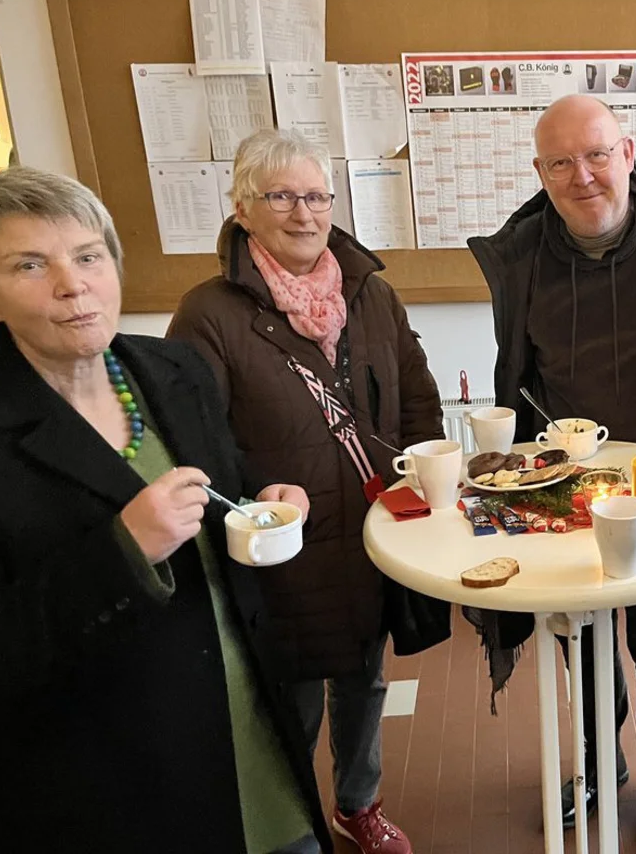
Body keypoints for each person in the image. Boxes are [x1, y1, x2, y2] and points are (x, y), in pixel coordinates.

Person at [0, 166, 330, 853]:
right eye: (29, 265)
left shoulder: (172, 370)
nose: (72, 285)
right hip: (108, 788)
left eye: (88, 256)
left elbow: (222, 481)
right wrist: (124, 552)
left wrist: (262, 502)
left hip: (248, 738)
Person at [467, 94, 636, 853]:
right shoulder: (523, 256)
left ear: (627, 153)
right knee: (579, 635)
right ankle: (598, 759)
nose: (581, 176)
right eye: (561, 162)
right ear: (540, 172)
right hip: (564, 490)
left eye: (595, 155)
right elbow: (517, 372)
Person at [169, 129, 444, 854]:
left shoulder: (371, 293)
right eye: (282, 196)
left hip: (372, 533)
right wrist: (258, 498)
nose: (304, 213)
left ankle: (358, 805)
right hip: (280, 549)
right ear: (242, 208)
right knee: (286, 701)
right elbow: (193, 436)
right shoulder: (208, 314)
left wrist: (423, 473)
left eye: (317, 196)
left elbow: (418, 395)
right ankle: (287, 825)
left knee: (363, 680)